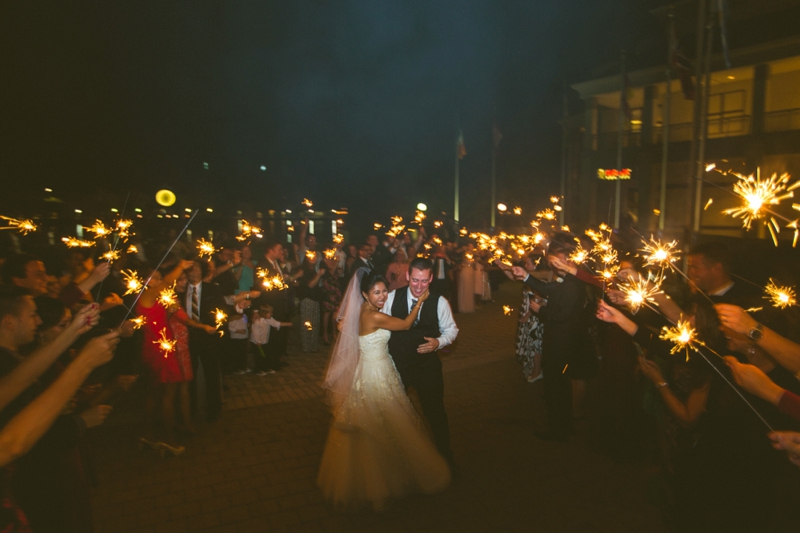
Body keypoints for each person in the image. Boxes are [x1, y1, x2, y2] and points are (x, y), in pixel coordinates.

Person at [318, 270, 450, 510]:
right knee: (386, 422)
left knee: (378, 422)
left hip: (372, 369)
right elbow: (406, 324)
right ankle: (386, 478)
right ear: (364, 295)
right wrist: (420, 301)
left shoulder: (360, 312)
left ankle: (384, 474)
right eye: (376, 293)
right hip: (376, 373)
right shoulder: (373, 317)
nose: (382, 297)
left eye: (384, 291)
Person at [383, 257, 460, 471]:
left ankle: (446, 457)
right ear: (408, 276)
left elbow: (452, 330)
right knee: (393, 414)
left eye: (424, 281)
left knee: (435, 413)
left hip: (427, 367)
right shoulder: (391, 298)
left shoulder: (440, 302)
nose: (418, 286)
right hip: (397, 367)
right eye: (415, 280)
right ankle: (395, 461)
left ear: (431, 279)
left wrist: (439, 342)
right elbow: (378, 325)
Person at [250, 304, 292, 375]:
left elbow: (275, 323)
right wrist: (258, 342)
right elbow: (255, 333)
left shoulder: (268, 319)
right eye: (270, 313)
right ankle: (258, 369)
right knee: (259, 356)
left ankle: (266, 367)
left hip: (264, 341)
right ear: (264, 313)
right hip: (257, 343)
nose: (272, 314)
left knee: (266, 355)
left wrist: (287, 324)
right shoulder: (257, 322)